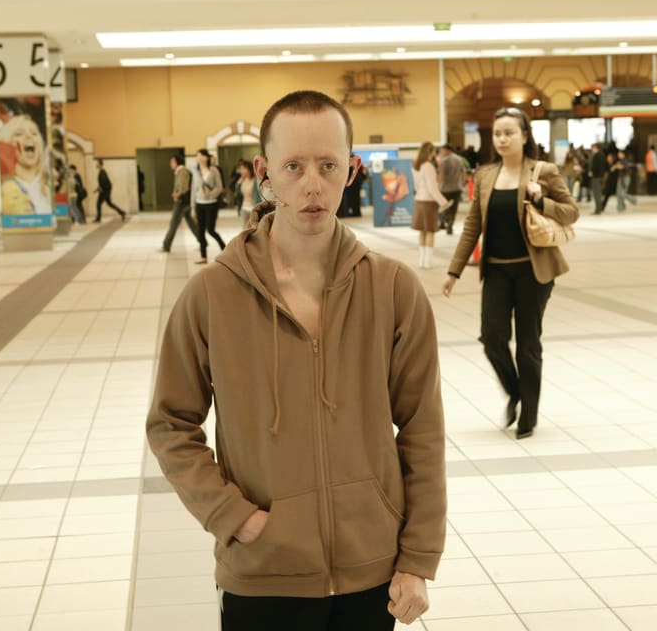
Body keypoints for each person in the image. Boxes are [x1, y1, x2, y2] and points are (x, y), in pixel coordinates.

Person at [147, 90, 446, 631]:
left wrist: (417, 557)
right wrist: (231, 516)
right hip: (262, 574)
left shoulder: (393, 289)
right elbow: (170, 423)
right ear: (265, 172)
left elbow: (422, 429)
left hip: (372, 571)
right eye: (294, 166)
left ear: (352, 170)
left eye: (328, 165)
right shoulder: (212, 294)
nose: (313, 184)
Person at [443, 107, 578, 440]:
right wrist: (454, 270)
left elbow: (571, 212)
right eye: (497, 133)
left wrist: (542, 201)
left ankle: (528, 415)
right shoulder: (486, 175)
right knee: (492, 337)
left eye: (509, 133)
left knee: (528, 344)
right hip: (498, 272)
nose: (502, 139)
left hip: (534, 271)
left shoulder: (542, 171)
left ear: (525, 136)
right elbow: (473, 224)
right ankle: (515, 391)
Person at [0, 114, 53, 215]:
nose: (29, 136)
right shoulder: (4, 189)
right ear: (7, 144)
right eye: (19, 134)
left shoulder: (49, 185)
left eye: (34, 133)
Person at [411, 142, 452, 269]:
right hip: (428, 202)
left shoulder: (416, 166)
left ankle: (422, 261)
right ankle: (428, 261)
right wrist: (443, 202)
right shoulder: (428, 166)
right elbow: (432, 188)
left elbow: (417, 186)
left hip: (419, 201)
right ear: (430, 152)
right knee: (430, 231)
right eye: (434, 151)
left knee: (422, 231)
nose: (434, 154)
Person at [191, 148, 226, 264]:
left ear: (206, 157)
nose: (199, 158)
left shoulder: (214, 170)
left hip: (212, 204)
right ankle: (203, 256)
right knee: (200, 231)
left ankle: (224, 248)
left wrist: (209, 195)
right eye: (197, 156)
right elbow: (193, 190)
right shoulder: (195, 171)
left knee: (210, 230)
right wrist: (193, 208)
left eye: (201, 155)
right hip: (199, 204)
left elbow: (219, 187)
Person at [160, 154, 200, 253]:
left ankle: (166, 245)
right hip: (185, 201)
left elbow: (184, 187)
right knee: (192, 224)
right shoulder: (179, 171)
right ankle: (202, 241)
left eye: (172, 162)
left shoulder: (182, 172)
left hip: (182, 202)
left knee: (174, 223)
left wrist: (176, 195)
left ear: (176, 162)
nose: (171, 164)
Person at [436, 144, 465, 235]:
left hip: (446, 189)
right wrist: (462, 183)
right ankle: (448, 224)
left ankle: (448, 223)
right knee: (454, 208)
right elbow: (463, 172)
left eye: (442, 150)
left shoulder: (445, 161)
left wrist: (438, 186)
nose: (441, 152)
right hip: (457, 188)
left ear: (447, 150)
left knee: (445, 207)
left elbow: (442, 175)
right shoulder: (459, 159)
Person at [235, 159, 260, 228]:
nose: (241, 171)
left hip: (253, 209)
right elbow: (239, 194)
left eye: (243, 169)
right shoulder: (242, 179)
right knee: (244, 230)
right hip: (244, 208)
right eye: (240, 169)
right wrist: (238, 185)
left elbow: (258, 195)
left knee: (254, 230)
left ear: (249, 169)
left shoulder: (255, 180)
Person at [588, 143, 606, 213]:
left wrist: (592, 172)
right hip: (600, 176)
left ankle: (598, 209)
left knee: (597, 193)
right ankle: (599, 208)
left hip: (596, 177)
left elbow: (596, 166)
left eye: (593, 148)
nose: (592, 149)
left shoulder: (597, 156)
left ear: (596, 148)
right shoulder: (602, 155)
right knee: (598, 193)